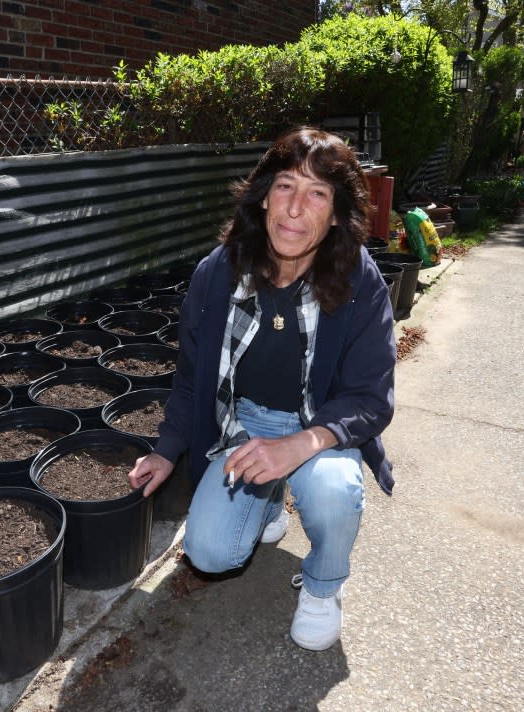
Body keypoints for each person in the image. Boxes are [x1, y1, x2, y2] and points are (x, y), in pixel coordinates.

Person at [127, 126, 396, 651]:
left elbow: (370, 397)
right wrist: (165, 450)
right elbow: (192, 374)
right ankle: (268, 497)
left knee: (333, 491)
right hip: (242, 425)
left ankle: (323, 585)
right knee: (209, 553)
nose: (295, 209)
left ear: (337, 214)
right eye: (285, 187)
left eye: (317, 193)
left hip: (320, 423)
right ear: (264, 195)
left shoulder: (358, 278)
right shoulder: (218, 272)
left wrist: (301, 443)